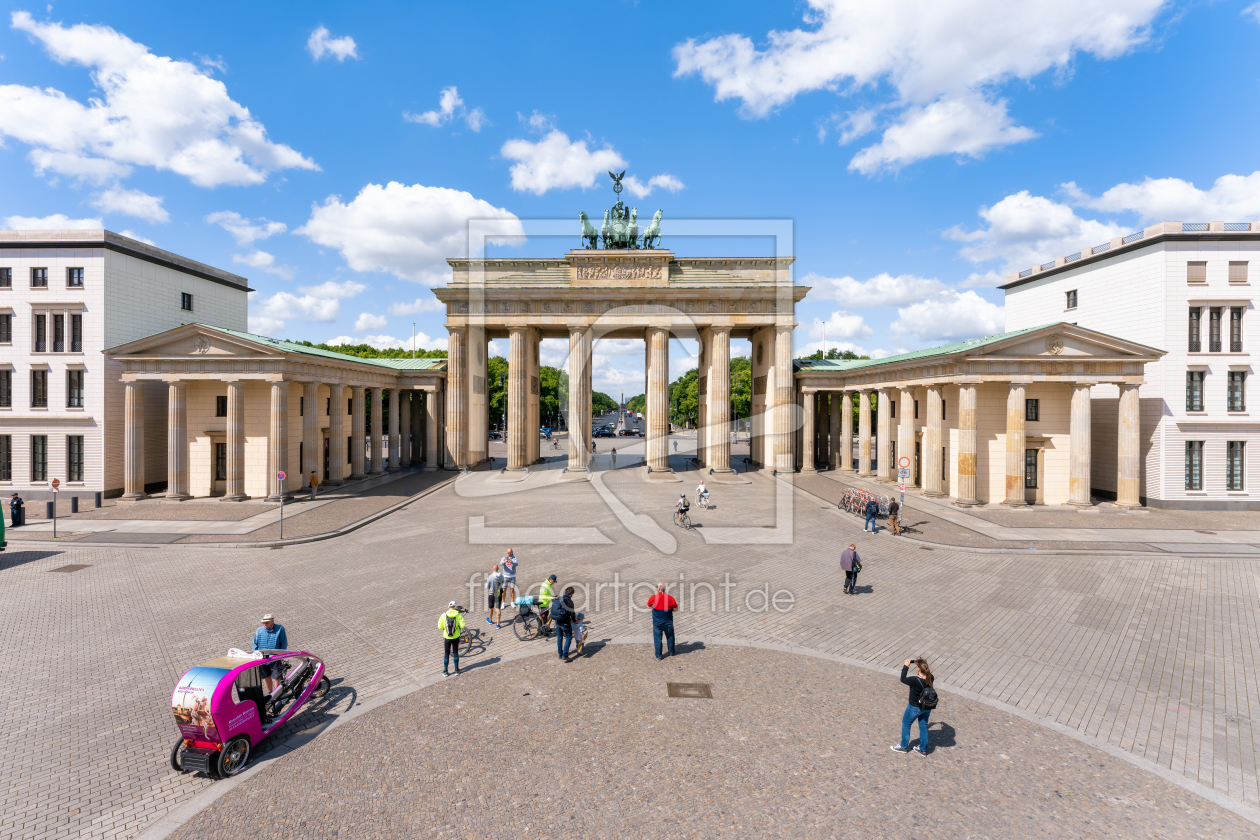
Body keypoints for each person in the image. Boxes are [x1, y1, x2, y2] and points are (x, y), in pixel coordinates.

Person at [892, 658, 935, 755]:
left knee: (906, 724)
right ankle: (923, 749)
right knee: (923, 727)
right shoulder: (931, 677)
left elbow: (903, 679)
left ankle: (903, 746)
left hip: (914, 707)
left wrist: (906, 666)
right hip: (926, 707)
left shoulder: (915, 680)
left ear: (919, 669)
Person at [252, 614, 288, 694]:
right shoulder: (259, 630)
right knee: (266, 676)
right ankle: (270, 693)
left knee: (277, 677)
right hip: (263, 659)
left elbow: (283, 643)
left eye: (267, 622)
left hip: (275, 658)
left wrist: (280, 655)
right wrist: (257, 655)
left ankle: (277, 693)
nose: (265, 624)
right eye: (263, 622)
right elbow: (255, 644)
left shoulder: (280, 629)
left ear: (272, 621)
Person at [647, 582, 678, 660]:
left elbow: (648, 606)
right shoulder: (670, 598)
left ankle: (659, 655)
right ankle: (671, 652)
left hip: (657, 623)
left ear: (658, 588)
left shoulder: (653, 598)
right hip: (668, 622)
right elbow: (675, 609)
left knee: (658, 639)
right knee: (670, 637)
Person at [439, 600, 465, 677]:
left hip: (447, 637)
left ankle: (445, 671)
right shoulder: (458, 615)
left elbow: (439, 626)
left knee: (446, 653)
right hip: (456, 636)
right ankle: (456, 670)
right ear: (455, 607)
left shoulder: (444, 615)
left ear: (448, 607)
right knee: (456, 652)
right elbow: (463, 626)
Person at [551, 585, 577, 661]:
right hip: (566, 623)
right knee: (568, 637)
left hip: (558, 622)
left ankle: (560, 654)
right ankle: (565, 655)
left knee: (559, 638)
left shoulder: (559, 599)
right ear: (571, 594)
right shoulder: (570, 602)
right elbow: (572, 614)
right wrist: (574, 620)